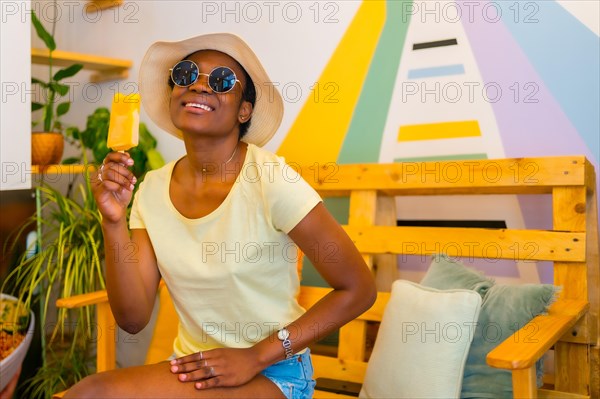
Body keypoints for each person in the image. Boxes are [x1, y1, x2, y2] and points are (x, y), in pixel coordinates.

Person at [64, 32, 376, 399]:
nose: (198, 85)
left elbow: (359, 289)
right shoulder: (150, 189)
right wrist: (113, 222)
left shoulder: (271, 180)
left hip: (276, 372)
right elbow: (132, 319)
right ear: (172, 94)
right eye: (185, 74)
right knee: (90, 393)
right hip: (195, 368)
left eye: (221, 81)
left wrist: (256, 356)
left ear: (244, 110)